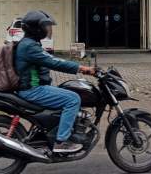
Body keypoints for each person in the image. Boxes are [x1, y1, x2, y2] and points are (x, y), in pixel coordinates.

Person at [14, 10, 96, 154]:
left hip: (34, 88)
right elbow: (54, 62)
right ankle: (61, 142)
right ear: (36, 29)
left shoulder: (30, 43)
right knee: (73, 99)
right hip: (32, 90)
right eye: (45, 26)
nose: (47, 29)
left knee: (67, 92)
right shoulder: (29, 46)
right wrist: (81, 68)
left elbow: (52, 60)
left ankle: (56, 131)